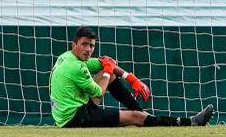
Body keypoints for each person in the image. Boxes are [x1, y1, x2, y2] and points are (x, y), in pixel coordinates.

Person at [50, 26, 215, 128]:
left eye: (91, 45)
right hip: (75, 118)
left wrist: (132, 79)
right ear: (74, 45)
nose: (88, 49)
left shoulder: (68, 56)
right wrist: (108, 70)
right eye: (84, 44)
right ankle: (191, 122)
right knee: (135, 117)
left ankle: (144, 116)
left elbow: (108, 63)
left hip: (72, 109)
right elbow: (99, 92)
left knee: (112, 75)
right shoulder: (77, 67)